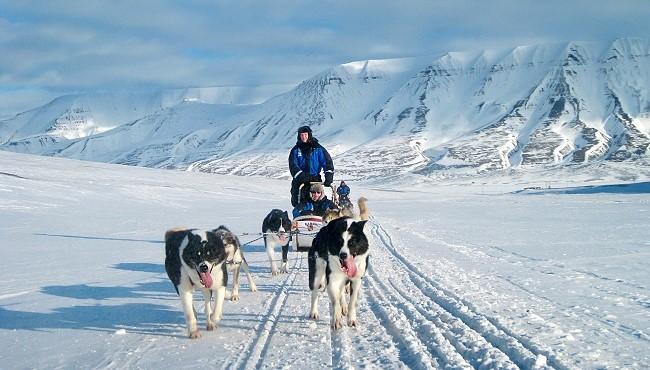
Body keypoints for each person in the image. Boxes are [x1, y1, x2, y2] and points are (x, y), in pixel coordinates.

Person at [288, 125, 334, 207]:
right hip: (300, 180)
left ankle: (320, 215)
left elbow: (327, 162)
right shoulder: (295, 150)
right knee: (297, 202)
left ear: (309, 135)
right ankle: (300, 215)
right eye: (301, 135)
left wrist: (328, 176)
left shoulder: (318, 149)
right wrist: (301, 176)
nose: (303, 137)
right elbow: (293, 165)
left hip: (314, 179)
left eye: (305, 134)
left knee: (317, 200)